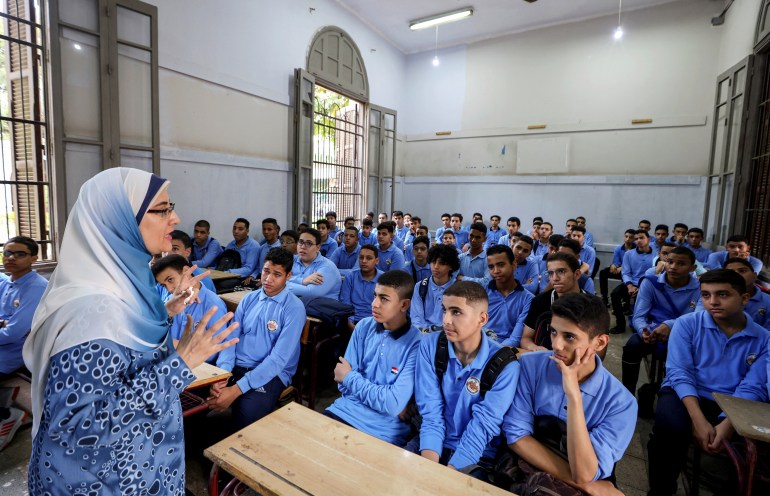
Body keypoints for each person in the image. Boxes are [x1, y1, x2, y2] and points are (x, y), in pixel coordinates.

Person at [24, 168, 237, 494]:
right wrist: (181, 362)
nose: (175, 217)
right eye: (162, 209)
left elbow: (125, 352)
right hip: (108, 480)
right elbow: (78, 430)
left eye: (171, 206)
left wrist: (166, 312)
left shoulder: (126, 282)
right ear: (120, 220)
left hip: (141, 463)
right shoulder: (91, 309)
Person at [647, 269, 770, 496]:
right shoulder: (687, 324)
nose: (712, 302)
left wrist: (728, 423)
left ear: (744, 298)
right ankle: (661, 490)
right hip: (685, 392)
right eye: (705, 295)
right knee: (670, 428)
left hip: (734, 400)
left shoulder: (763, 338)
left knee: (757, 450)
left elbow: (754, 385)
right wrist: (698, 420)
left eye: (723, 295)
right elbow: (680, 372)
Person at [505, 294, 635, 495]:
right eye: (553, 332)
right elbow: (516, 437)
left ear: (600, 342)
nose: (556, 345)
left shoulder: (622, 403)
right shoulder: (530, 366)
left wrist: (574, 396)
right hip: (523, 469)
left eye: (569, 337)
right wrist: (586, 485)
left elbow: (584, 472)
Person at [413, 281, 520, 479]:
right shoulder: (431, 345)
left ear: (482, 319)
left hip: (476, 454)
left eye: (456, 312)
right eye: (444, 310)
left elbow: (483, 426)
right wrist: (429, 469)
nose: (446, 320)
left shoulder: (505, 365)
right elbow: (431, 411)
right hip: (433, 439)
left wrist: (449, 475)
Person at [211, 248, 305, 430]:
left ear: (288, 276)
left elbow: (278, 360)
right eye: (266, 271)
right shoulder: (249, 299)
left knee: (247, 419)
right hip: (237, 367)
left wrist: (236, 389)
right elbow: (230, 340)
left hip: (270, 374)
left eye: (277, 274)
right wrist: (222, 374)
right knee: (204, 403)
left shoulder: (294, 308)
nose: (268, 279)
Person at [325, 270, 421, 446]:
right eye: (375, 296)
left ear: (404, 305)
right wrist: (384, 399)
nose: (374, 304)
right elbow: (341, 384)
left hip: (383, 430)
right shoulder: (363, 327)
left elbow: (392, 404)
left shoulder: (416, 344)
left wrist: (350, 377)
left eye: (384, 299)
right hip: (344, 410)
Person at [620, 247, 699, 397]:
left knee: (688, 353)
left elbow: (696, 318)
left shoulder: (700, 288)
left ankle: (673, 392)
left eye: (681, 263)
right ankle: (626, 395)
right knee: (632, 346)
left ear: (692, 268)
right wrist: (644, 331)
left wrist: (670, 326)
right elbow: (639, 316)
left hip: (685, 333)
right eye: (670, 262)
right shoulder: (651, 282)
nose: (673, 267)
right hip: (653, 329)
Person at [152, 254, 228, 363]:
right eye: (163, 285)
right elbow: (156, 336)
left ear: (186, 271)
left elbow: (215, 350)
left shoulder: (214, 304)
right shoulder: (170, 302)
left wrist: (175, 346)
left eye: (170, 280)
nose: (169, 289)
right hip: (168, 360)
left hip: (200, 366)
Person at [520, 253, 588, 352]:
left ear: (577, 274)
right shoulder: (539, 301)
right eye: (551, 273)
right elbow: (526, 338)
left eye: (561, 271)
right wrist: (534, 348)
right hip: (545, 359)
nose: (555, 278)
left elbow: (598, 350)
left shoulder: (593, 305)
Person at [0, 236, 48, 377]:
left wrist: (5, 324)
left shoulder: (36, 287)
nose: (11, 258)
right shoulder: (6, 282)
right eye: (7, 253)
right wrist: (3, 322)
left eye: (20, 254)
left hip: (11, 354)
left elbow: (12, 334)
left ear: (34, 258)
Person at [695, 257, 770, 330]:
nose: (736, 275)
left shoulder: (768, 301)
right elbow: (699, 322)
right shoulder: (711, 297)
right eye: (730, 272)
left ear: (754, 275)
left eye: (742, 271)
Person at [484, 245, 533, 347]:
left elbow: (515, 339)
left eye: (501, 265)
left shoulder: (528, 299)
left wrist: (494, 352)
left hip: (506, 351)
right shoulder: (482, 293)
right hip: (479, 344)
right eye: (491, 267)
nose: (496, 271)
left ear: (514, 264)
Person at [610, 229, 655, 334]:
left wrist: (642, 287)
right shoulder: (629, 254)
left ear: (648, 239)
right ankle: (620, 325)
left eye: (641, 238)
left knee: (643, 300)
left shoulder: (656, 254)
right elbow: (626, 272)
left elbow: (655, 274)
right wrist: (629, 286)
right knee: (615, 294)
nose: (638, 240)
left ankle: (640, 323)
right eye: (636, 239)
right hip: (632, 282)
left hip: (648, 284)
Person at [411, 245, 459, 331]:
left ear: (451, 266)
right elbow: (416, 319)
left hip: (447, 334)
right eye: (433, 262)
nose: (436, 266)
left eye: (441, 263)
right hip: (423, 334)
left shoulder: (459, 289)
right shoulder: (420, 286)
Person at [286, 228, 342, 299]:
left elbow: (311, 293)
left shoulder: (327, 267)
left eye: (309, 243)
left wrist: (283, 283)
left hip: (320, 309)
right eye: (301, 242)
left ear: (318, 248)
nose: (303, 247)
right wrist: (302, 281)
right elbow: (275, 279)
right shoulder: (291, 260)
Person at [339, 244, 382, 330]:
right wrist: (350, 322)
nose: (364, 261)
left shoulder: (383, 279)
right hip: (352, 319)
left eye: (369, 258)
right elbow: (345, 303)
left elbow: (384, 306)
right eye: (361, 257)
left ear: (376, 261)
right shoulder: (350, 277)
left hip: (375, 321)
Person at [599, 229, 636, 306]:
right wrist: (613, 265)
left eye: (631, 237)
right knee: (603, 272)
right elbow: (616, 262)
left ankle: (625, 301)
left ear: (634, 239)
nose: (628, 239)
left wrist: (622, 268)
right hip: (619, 270)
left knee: (625, 275)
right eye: (626, 236)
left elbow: (633, 265)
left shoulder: (636, 249)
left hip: (630, 272)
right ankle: (604, 297)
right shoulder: (618, 248)